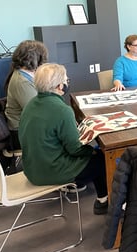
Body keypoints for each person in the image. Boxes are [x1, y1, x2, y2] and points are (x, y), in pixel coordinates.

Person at [19, 63, 108, 215]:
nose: (67, 83)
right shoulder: (62, 110)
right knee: (101, 157)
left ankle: (103, 200)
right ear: (60, 86)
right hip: (51, 171)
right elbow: (75, 149)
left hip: (32, 168)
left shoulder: (31, 104)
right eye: (67, 80)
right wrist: (91, 150)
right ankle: (104, 201)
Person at [4, 40, 48, 150]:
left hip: (28, 126)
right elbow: (38, 111)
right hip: (22, 132)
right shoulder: (22, 81)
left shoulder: (24, 75)